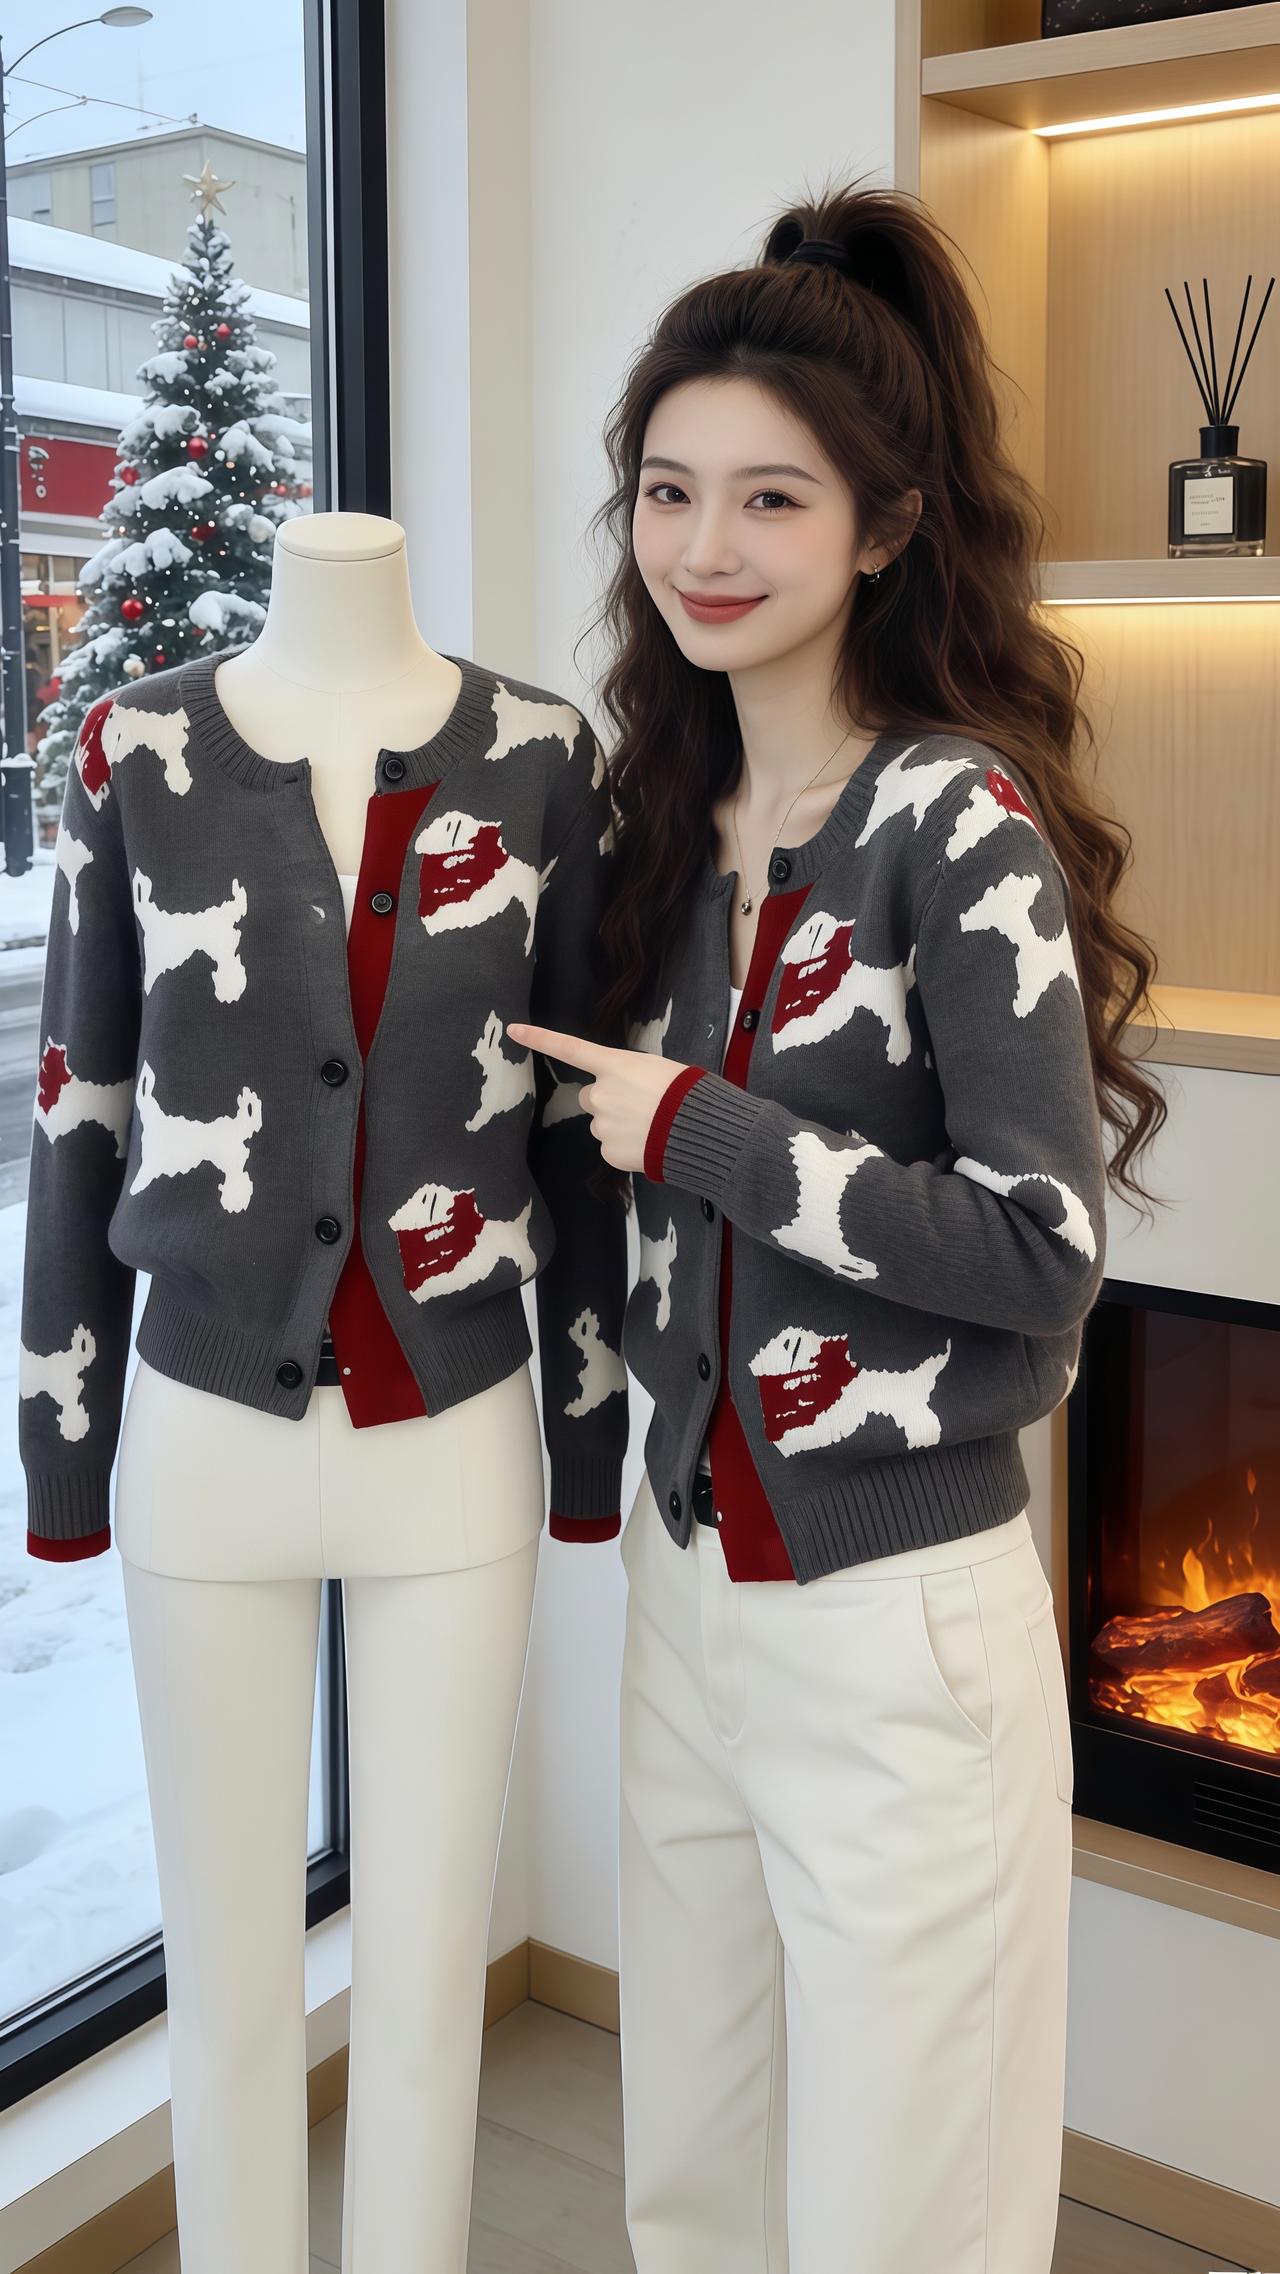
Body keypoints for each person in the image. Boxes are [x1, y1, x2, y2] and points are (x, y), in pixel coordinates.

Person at [510, 176, 1166, 2273]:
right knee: (692, 2175)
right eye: (668, 490)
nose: (704, 546)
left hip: (895, 1622)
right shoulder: (658, 824)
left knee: (907, 2213)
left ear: (883, 529)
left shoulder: (952, 827)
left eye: (771, 500)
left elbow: (1043, 1257)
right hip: (690, 1594)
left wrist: (709, 1133)